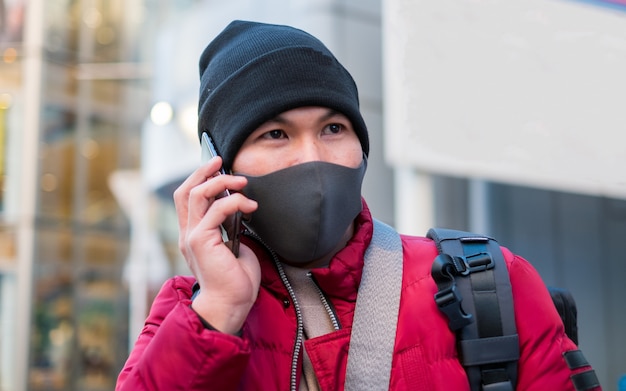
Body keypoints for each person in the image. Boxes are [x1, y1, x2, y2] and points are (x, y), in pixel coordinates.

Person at [116, 20, 601, 391]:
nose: (313, 158)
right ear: (218, 169)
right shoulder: (187, 313)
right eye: (275, 134)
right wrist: (220, 309)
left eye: (333, 129)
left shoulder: (490, 283)